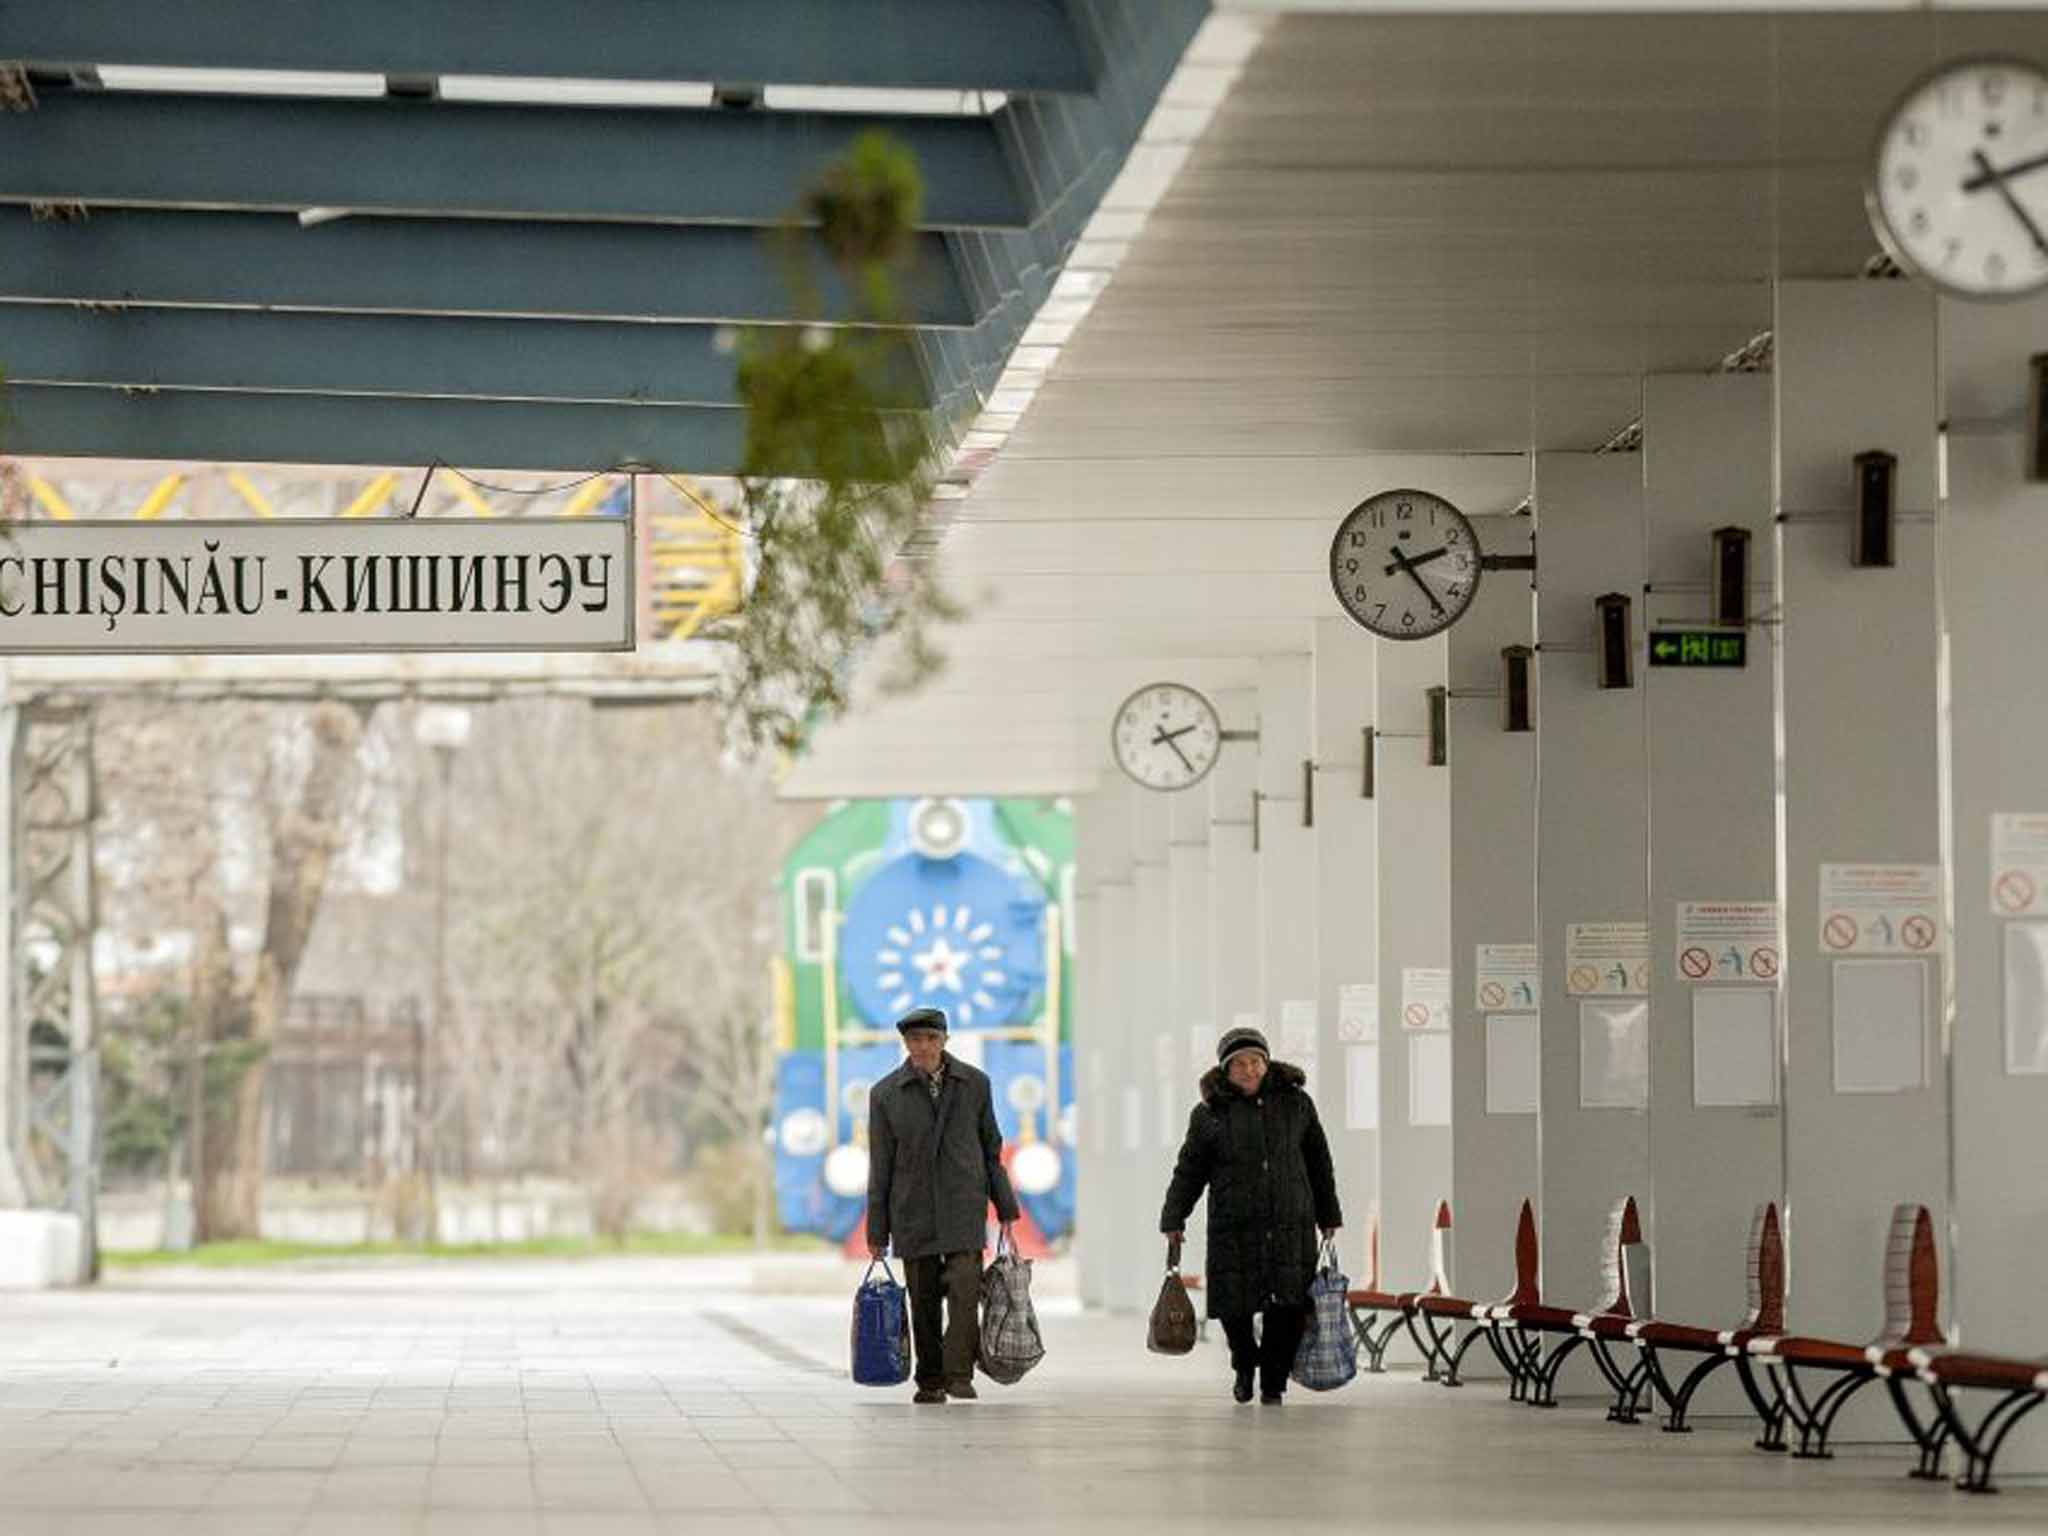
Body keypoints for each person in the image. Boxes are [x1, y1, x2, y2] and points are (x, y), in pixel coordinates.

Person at [1160, 1026, 1342, 1405]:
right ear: (1226, 1070)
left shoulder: (1297, 1104)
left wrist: (1329, 1214)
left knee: (1288, 1304)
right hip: (1234, 1222)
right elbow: (1189, 1169)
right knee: (1234, 1302)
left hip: (1290, 1220)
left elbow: (1319, 1162)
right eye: (1239, 1064)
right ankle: (1244, 1363)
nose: (1249, 1070)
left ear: (1267, 1061)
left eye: (1255, 1061)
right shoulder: (1209, 1113)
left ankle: (1273, 1383)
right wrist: (1174, 1218)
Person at [867, 1005, 1020, 1404]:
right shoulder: (885, 1094)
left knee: (965, 1293)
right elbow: (880, 1166)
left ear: (944, 1041)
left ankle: (958, 1374)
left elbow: (991, 1150)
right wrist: (876, 1230)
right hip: (912, 1210)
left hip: (962, 1205)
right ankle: (931, 1379)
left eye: (930, 1039)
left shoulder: (974, 1085)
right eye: (915, 1040)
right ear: (905, 1044)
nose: (923, 1047)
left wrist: (1005, 1207)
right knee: (923, 1299)